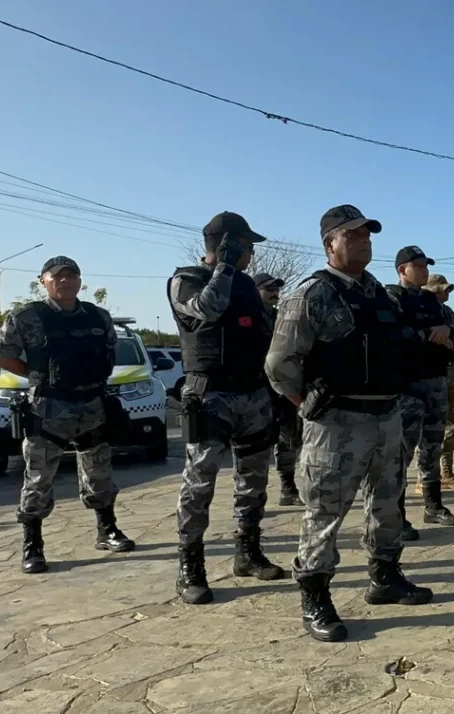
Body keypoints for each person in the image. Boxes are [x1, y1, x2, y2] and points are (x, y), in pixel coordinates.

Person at [266, 204, 432, 642]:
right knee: (325, 511)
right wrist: (311, 405)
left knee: (388, 502)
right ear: (330, 243)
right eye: (353, 235)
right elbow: (280, 364)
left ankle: (385, 576)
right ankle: (315, 597)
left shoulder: (376, 291)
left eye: (367, 235)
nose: (363, 241)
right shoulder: (312, 294)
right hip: (337, 421)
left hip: (387, 414)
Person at [168, 213, 284, 605]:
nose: (251, 253)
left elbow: (266, 333)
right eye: (247, 246)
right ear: (229, 244)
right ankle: (191, 567)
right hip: (210, 395)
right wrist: (223, 267)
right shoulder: (187, 279)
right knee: (200, 483)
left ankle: (247, 552)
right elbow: (208, 309)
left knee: (253, 480)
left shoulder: (248, 284)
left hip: (252, 394)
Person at [0, 256, 135, 574]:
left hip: (92, 405)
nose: (64, 281)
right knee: (38, 478)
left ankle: (107, 529)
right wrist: (37, 375)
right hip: (48, 408)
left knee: (99, 471)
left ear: (79, 282)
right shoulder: (27, 316)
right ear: (42, 281)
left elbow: (110, 353)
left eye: (71, 275)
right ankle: (33, 545)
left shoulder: (98, 316)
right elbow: (3, 356)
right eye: (56, 276)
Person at [388, 246, 454, 540]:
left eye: (425, 265)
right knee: (401, 453)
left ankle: (433, 506)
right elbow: (394, 335)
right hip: (408, 385)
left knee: (432, 447)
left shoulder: (432, 302)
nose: (424, 270)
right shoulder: (392, 298)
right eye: (418, 265)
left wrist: (445, 332)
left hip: (436, 380)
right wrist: (428, 334)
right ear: (402, 269)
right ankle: (395, 516)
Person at [254, 272, 303, 507]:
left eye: (276, 288)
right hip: (256, 389)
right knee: (257, 444)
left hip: (282, 388)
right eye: (268, 288)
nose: (275, 292)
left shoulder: (279, 317)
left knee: (288, 440)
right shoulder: (247, 317)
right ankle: (252, 494)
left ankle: (287, 485)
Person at [424, 274, 454, 493]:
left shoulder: (450, 314)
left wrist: (449, 339)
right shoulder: (421, 310)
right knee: (427, 427)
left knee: (451, 424)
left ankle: (446, 472)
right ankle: (424, 476)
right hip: (431, 371)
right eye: (442, 289)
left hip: (452, 370)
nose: (447, 293)